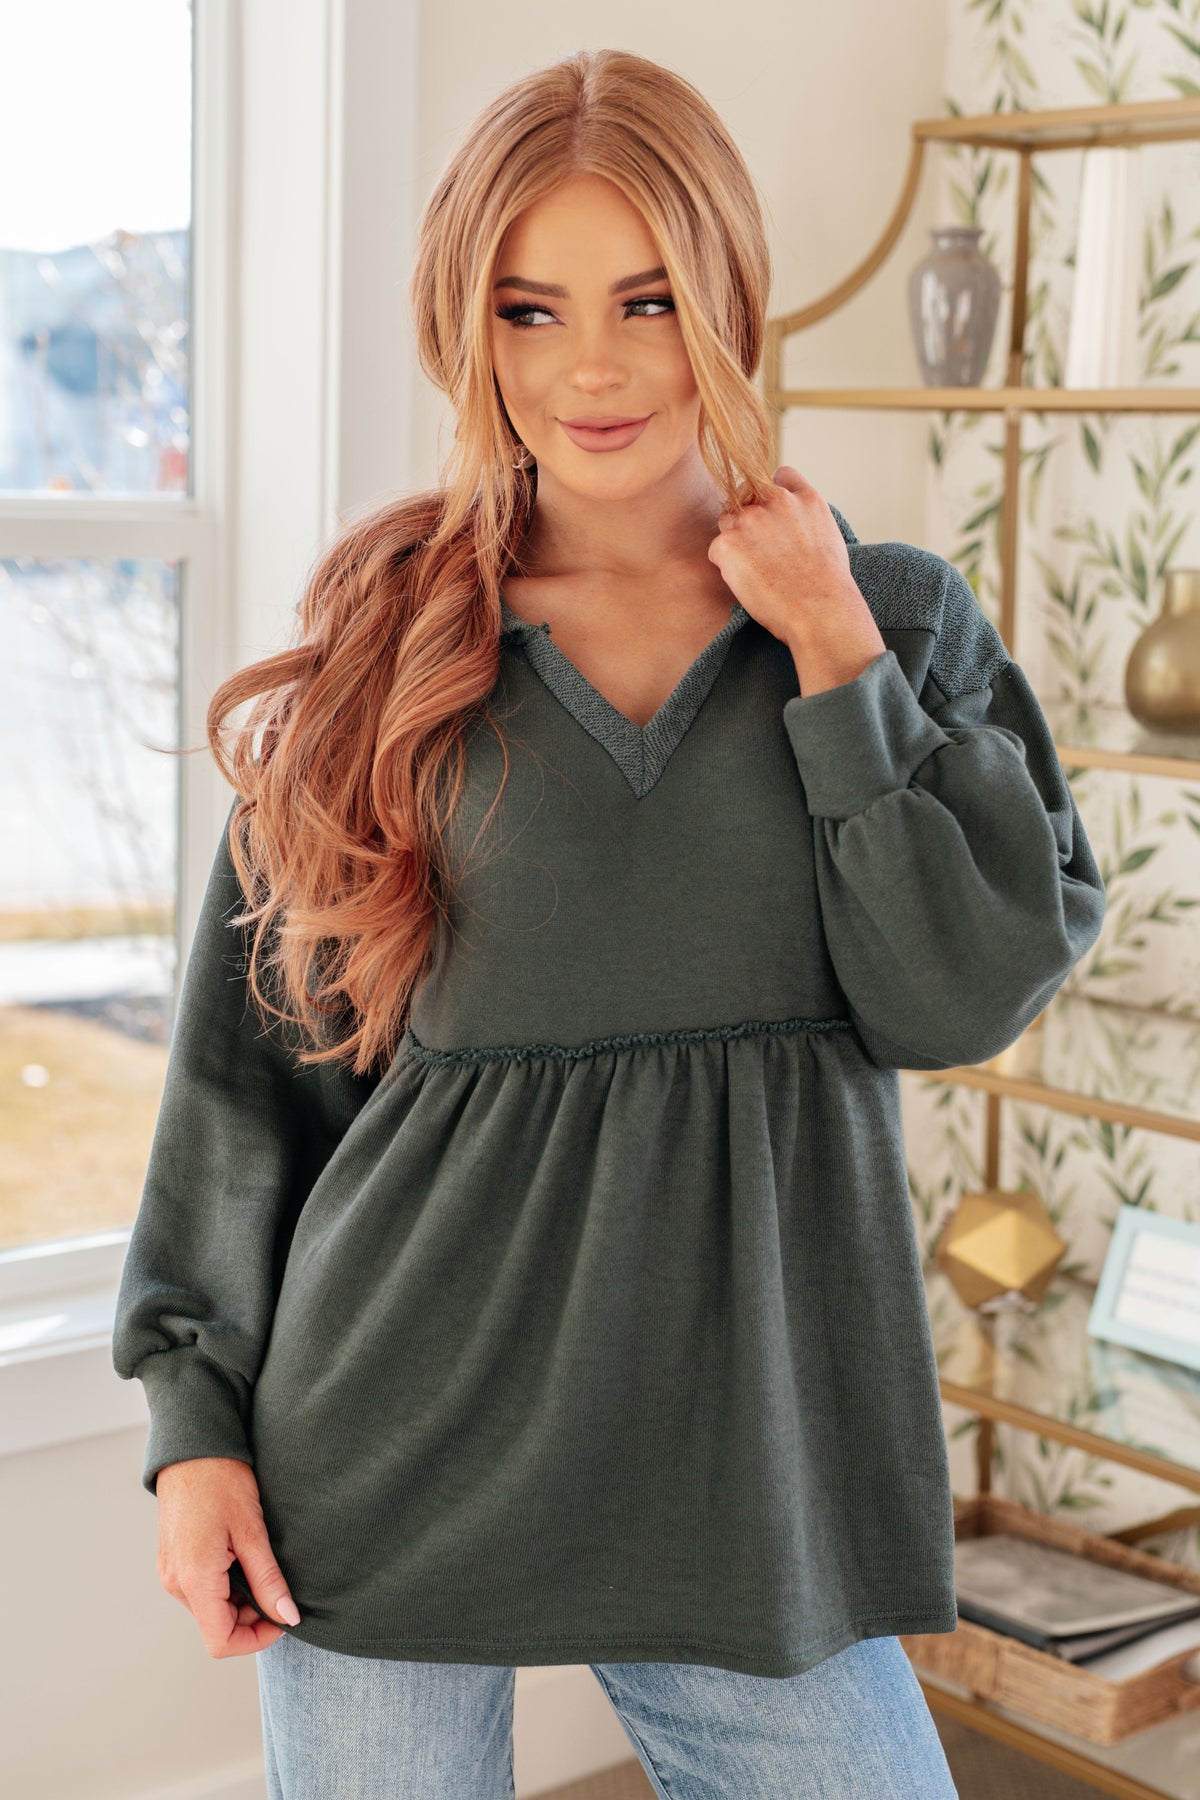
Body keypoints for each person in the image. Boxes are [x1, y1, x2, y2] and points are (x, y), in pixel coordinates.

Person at [111, 47, 1106, 1800]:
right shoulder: (393, 644)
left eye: (647, 299)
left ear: (728, 295)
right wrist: (196, 1430)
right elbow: (247, 1078)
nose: (593, 366)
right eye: (531, 308)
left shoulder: (889, 623)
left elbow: (956, 995)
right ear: (467, 327)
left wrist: (833, 653)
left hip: (750, 1478)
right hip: (386, 1452)